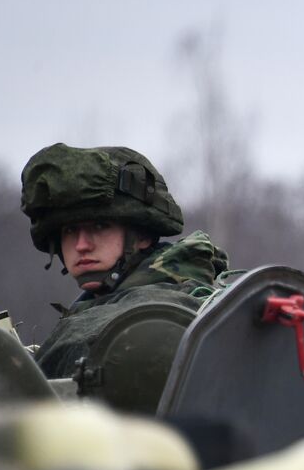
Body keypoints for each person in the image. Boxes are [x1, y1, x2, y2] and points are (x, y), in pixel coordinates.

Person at [20, 144, 228, 379]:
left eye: (100, 226)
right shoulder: (99, 307)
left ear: (142, 236)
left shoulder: (153, 310)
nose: (81, 245)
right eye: (70, 230)